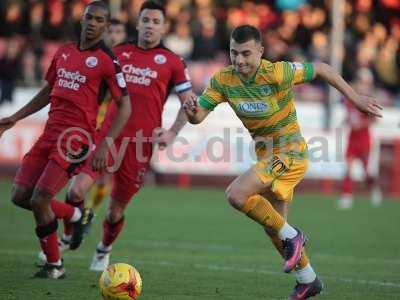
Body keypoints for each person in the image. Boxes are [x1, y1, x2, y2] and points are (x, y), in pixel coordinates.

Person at [183, 25, 382, 299]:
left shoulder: (277, 72)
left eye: (246, 54)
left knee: (236, 194)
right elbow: (199, 116)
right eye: (233, 53)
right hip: (267, 156)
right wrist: (192, 111)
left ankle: (294, 236)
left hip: (290, 153)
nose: (239, 60)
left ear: (261, 52)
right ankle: (308, 280)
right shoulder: (223, 80)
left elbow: (322, 68)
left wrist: (355, 98)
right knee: (273, 227)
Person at [55, 0, 196, 272]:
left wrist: (173, 131)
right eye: (145, 20)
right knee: (75, 190)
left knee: (115, 211)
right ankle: (74, 229)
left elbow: (188, 101)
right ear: (138, 23)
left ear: (164, 27)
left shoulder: (173, 62)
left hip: (139, 147)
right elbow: (93, 91)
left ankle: (103, 249)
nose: (149, 26)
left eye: (156, 22)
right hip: (106, 139)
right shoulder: (117, 53)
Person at [0, 1, 131, 279]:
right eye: (89, 18)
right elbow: (48, 90)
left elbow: (125, 106)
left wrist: (105, 144)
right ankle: (74, 216)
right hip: (49, 133)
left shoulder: (107, 60)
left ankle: (55, 265)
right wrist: (16, 117)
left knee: (40, 199)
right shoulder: (64, 52)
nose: (93, 23)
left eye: (99, 20)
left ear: (106, 26)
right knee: (20, 196)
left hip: (75, 138)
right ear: (81, 20)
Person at [88, 18, 128, 212]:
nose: (114, 36)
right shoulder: (96, 57)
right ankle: (79, 211)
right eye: (110, 32)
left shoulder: (128, 60)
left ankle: (89, 210)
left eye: (118, 32)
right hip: (91, 121)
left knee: (104, 175)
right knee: (84, 171)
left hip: (114, 124)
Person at [338, 68, 383, 209]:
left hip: (364, 140)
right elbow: (350, 116)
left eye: (365, 82)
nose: (361, 85)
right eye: (360, 82)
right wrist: (345, 122)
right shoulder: (351, 100)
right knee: (348, 168)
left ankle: (375, 190)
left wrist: (361, 124)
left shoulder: (368, 100)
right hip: (352, 139)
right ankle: (347, 196)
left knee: (367, 171)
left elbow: (375, 120)